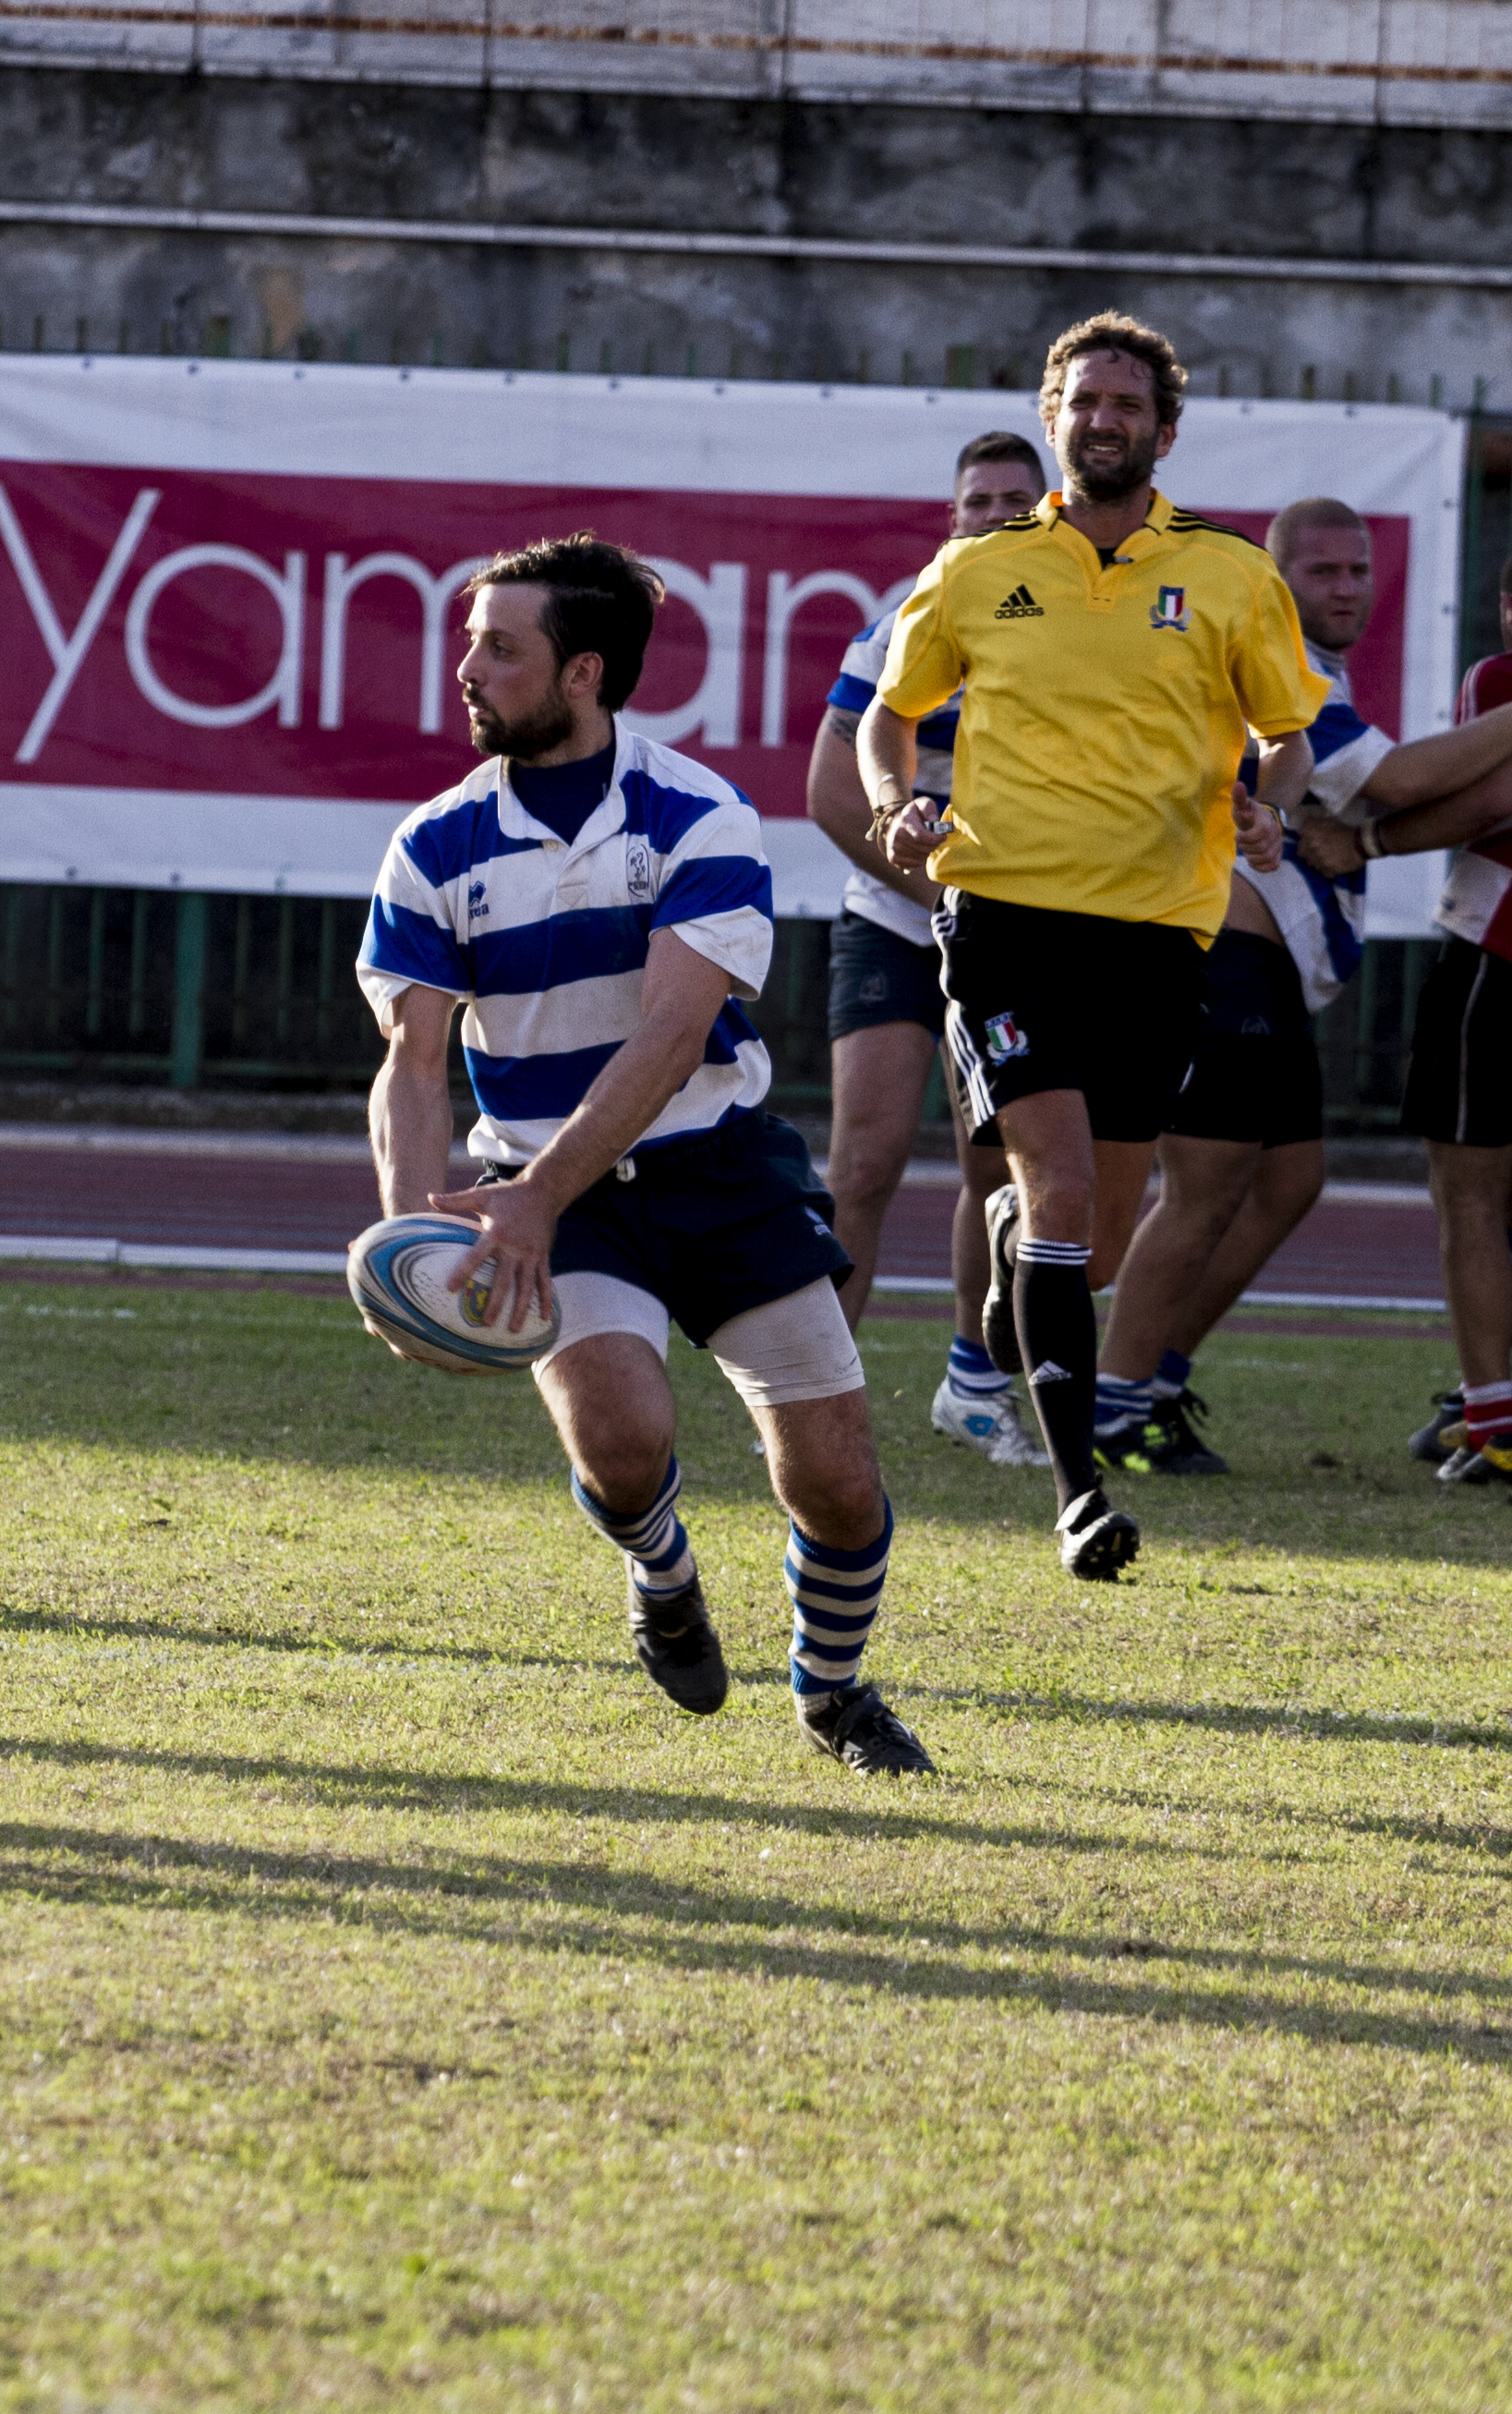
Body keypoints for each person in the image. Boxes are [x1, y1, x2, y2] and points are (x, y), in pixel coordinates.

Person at [356, 532, 933, 1774]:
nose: (466, 669)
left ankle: (831, 1695)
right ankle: (663, 1579)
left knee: (833, 1479)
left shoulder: (700, 813)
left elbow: (674, 1037)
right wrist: (415, 1235)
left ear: (585, 673)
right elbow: (409, 1061)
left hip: (714, 1165)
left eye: (499, 648)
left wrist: (525, 1201)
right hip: (547, 1197)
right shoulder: (434, 845)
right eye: (468, 643)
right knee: (621, 1440)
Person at [856, 310, 1325, 1579]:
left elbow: (1286, 737)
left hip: (1159, 934)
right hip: (1003, 912)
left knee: (1093, 1244)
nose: (1101, 421)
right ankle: (1077, 1497)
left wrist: (1262, 800)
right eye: (1082, 402)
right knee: (1065, 1195)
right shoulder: (972, 570)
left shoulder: (1231, 575)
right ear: (1056, 418)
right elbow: (886, 718)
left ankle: (1024, 1239)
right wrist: (898, 796)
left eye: (1125, 405)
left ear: (1162, 432)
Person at [1093, 503, 1512, 1477]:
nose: (1345, 587)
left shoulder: (1314, 671)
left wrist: (1363, 839)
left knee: (1288, 1180)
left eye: (1357, 569)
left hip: (1266, 961)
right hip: (1214, 953)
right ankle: (1111, 1403)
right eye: (1320, 571)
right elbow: (1402, 781)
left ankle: (1151, 1375)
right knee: (1199, 1188)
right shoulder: (1271, 663)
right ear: (1276, 582)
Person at [806, 430, 1049, 1469]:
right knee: (861, 1160)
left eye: (1013, 499)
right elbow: (828, 793)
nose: (994, 513)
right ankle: (811, 1387)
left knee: (996, 1168)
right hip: (895, 922)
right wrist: (937, 894)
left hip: (1017, 929)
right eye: (975, 500)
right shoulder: (903, 623)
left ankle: (972, 1382)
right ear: (950, 519)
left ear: (1045, 512)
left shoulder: (1080, 633)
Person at [1298, 549, 1512, 1486]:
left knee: (1466, 1194)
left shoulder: (1497, 680)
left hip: (1495, 950)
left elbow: (1491, 798)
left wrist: (1365, 843)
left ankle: (1492, 1420)